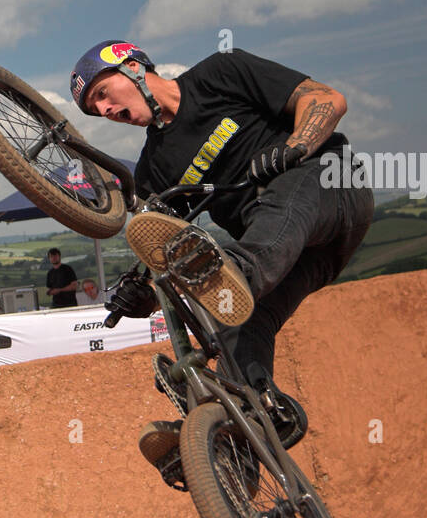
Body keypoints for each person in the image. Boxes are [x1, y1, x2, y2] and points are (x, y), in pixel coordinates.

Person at [70, 40, 373, 483]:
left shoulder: (219, 73)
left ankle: (240, 272)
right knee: (235, 322)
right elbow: (165, 250)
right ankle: (239, 446)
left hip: (326, 185)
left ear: (132, 66)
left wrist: (297, 144)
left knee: (272, 216)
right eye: (96, 110)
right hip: (293, 255)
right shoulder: (155, 168)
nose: (105, 110)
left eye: (102, 93)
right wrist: (145, 294)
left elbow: (327, 98)